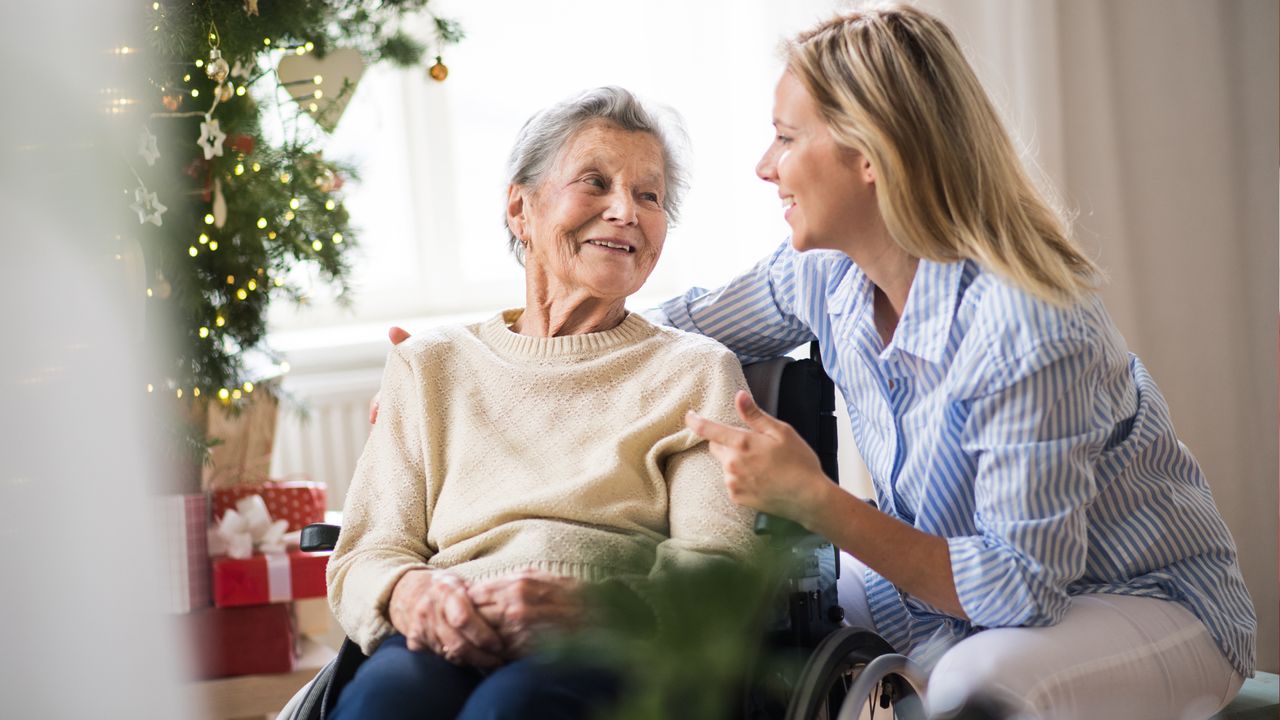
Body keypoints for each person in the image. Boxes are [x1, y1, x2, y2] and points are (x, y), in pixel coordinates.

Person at [667, 5, 1256, 719]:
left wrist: (815, 499)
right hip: (958, 604)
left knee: (975, 688)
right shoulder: (825, 275)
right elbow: (674, 331)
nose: (766, 167)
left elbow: (1021, 590)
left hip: (1145, 603)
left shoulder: (1029, 323)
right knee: (747, 621)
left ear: (869, 157)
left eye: (787, 138)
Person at [329, 86, 756, 720]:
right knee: (385, 703)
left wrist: (594, 610)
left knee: (512, 709)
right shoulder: (429, 364)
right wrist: (411, 594)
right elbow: (367, 552)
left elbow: (718, 571)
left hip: (614, 644)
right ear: (520, 209)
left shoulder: (696, 372)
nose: (625, 211)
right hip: (447, 627)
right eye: (595, 182)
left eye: (650, 195)